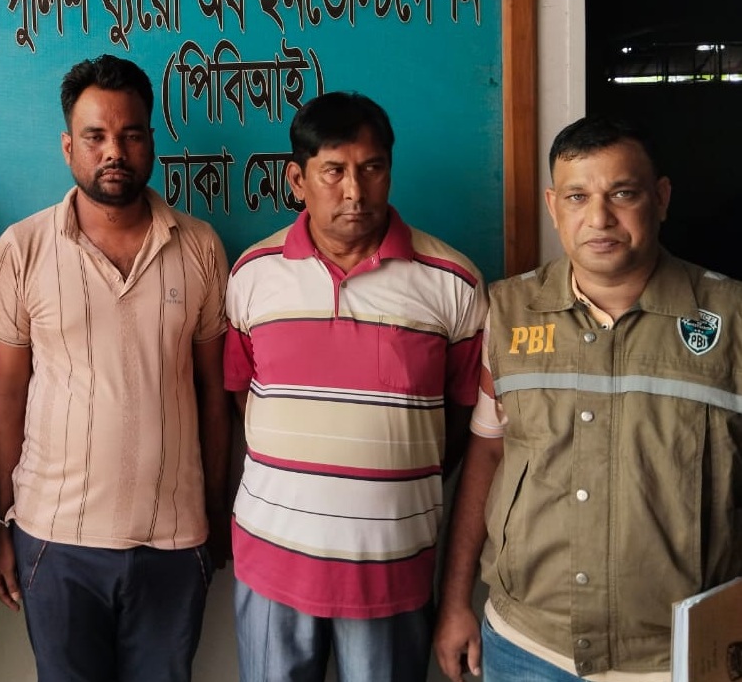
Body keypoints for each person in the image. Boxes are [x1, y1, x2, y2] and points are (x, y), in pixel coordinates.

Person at [434, 115, 742, 681]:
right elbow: (488, 454)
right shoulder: (509, 312)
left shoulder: (732, 319)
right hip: (527, 646)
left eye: (622, 193)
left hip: (675, 657)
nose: (599, 218)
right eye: (578, 197)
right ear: (554, 207)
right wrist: (455, 602)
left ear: (661, 198)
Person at [0, 54, 231, 682]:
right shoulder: (23, 249)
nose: (113, 151)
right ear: (69, 147)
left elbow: (213, 390)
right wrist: (3, 523)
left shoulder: (199, 246)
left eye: (130, 134)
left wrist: (215, 513)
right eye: (95, 136)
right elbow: (6, 393)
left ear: (151, 142)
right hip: (54, 538)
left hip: (175, 537)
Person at [224, 91, 487, 682]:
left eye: (371, 169)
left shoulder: (453, 282)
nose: (355, 191)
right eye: (334, 171)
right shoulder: (252, 274)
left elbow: (463, 419)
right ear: (297, 179)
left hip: (392, 568)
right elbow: (245, 396)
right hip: (272, 560)